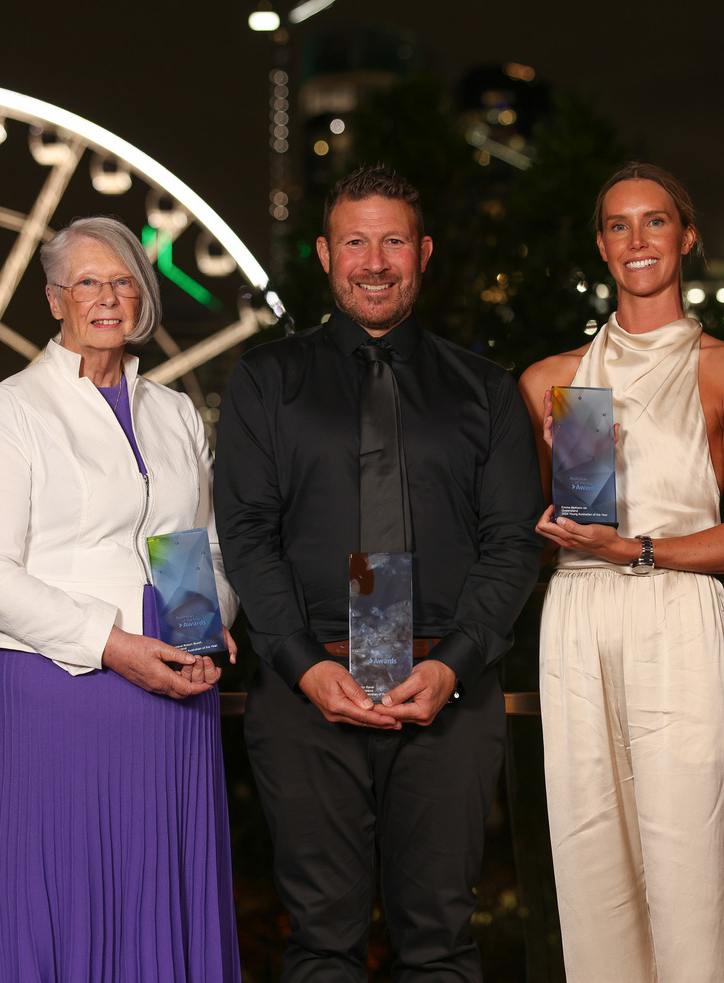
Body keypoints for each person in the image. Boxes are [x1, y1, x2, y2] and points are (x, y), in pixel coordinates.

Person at [214, 165, 542, 981]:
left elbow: (513, 544)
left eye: (393, 240)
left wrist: (451, 663)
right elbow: (246, 535)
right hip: (305, 697)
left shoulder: (488, 390)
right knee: (321, 942)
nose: (374, 260)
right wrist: (304, 667)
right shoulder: (264, 381)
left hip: (450, 696)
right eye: (355, 241)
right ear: (326, 255)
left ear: (423, 253)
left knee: (440, 942)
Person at [518, 163, 724, 981]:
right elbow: (528, 537)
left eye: (656, 222)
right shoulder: (549, 382)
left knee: (694, 872)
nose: (638, 240)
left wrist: (638, 550)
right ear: (601, 245)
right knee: (594, 870)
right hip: (575, 621)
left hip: (677, 614)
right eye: (619, 225)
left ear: (687, 235)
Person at [0, 215, 240, 982]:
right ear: (55, 299)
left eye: (123, 281)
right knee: (64, 902)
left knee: (169, 896)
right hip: (60, 683)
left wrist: (208, 627)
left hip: (175, 683)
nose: (108, 297)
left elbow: (198, 548)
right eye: (88, 282)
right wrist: (113, 642)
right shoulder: (12, 406)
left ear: (143, 297)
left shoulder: (176, 411)